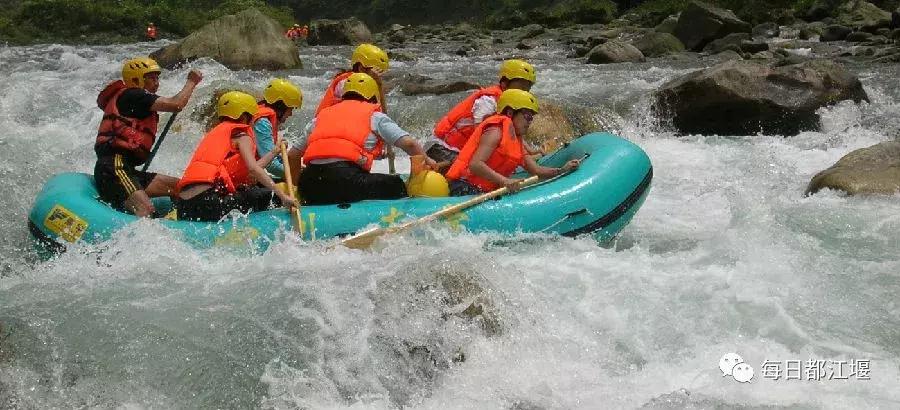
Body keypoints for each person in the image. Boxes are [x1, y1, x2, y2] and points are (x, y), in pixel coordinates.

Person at [292, 73, 437, 204]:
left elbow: (292, 155)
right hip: (347, 181)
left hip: (309, 184)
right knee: (395, 184)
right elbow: (410, 145)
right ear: (373, 97)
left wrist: (296, 188)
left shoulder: (320, 116)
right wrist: (428, 160)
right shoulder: (375, 116)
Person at [94, 57, 202, 217]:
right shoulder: (133, 94)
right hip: (113, 168)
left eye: (157, 77)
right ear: (136, 79)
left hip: (128, 170)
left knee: (180, 188)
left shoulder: (138, 100)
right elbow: (176, 104)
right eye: (151, 78)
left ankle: (184, 219)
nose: (156, 82)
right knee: (147, 211)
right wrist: (192, 81)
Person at [174, 91, 299, 222]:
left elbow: (251, 172)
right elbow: (253, 170)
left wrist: (274, 151)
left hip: (184, 206)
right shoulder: (242, 136)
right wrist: (283, 196)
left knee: (247, 190)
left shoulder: (214, 134)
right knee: (270, 196)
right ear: (245, 116)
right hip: (209, 203)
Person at [446, 89, 580, 196]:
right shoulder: (495, 131)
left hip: (484, 191)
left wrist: (562, 170)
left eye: (531, 118)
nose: (529, 122)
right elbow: (475, 164)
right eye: (527, 117)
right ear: (510, 113)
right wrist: (504, 181)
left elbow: (536, 170)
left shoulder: (516, 140)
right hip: (464, 187)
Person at [426, 59, 537, 171]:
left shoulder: (510, 104)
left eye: (528, 88)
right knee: (470, 169)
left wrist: (528, 151)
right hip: (440, 148)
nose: (524, 92)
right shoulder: (488, 101)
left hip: (460, 150)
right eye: (521, 87)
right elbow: (480, 132)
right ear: (505, 83)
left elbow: (513, 133)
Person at [314, 43, 389, 116]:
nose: (378, 76)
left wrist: (379, 86)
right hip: (325, 122)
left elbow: (383, 116)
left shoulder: (368, 84)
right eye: (376, 72)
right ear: (362, 68)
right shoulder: (346, 82)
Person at [253, 78, 302, 179]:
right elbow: (271, 166)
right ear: (281, 106)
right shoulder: (262, 123)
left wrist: (296, 166)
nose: (291, 114)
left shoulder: (263, 117)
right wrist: (300, 176)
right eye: (290, 109)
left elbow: (272, 157)